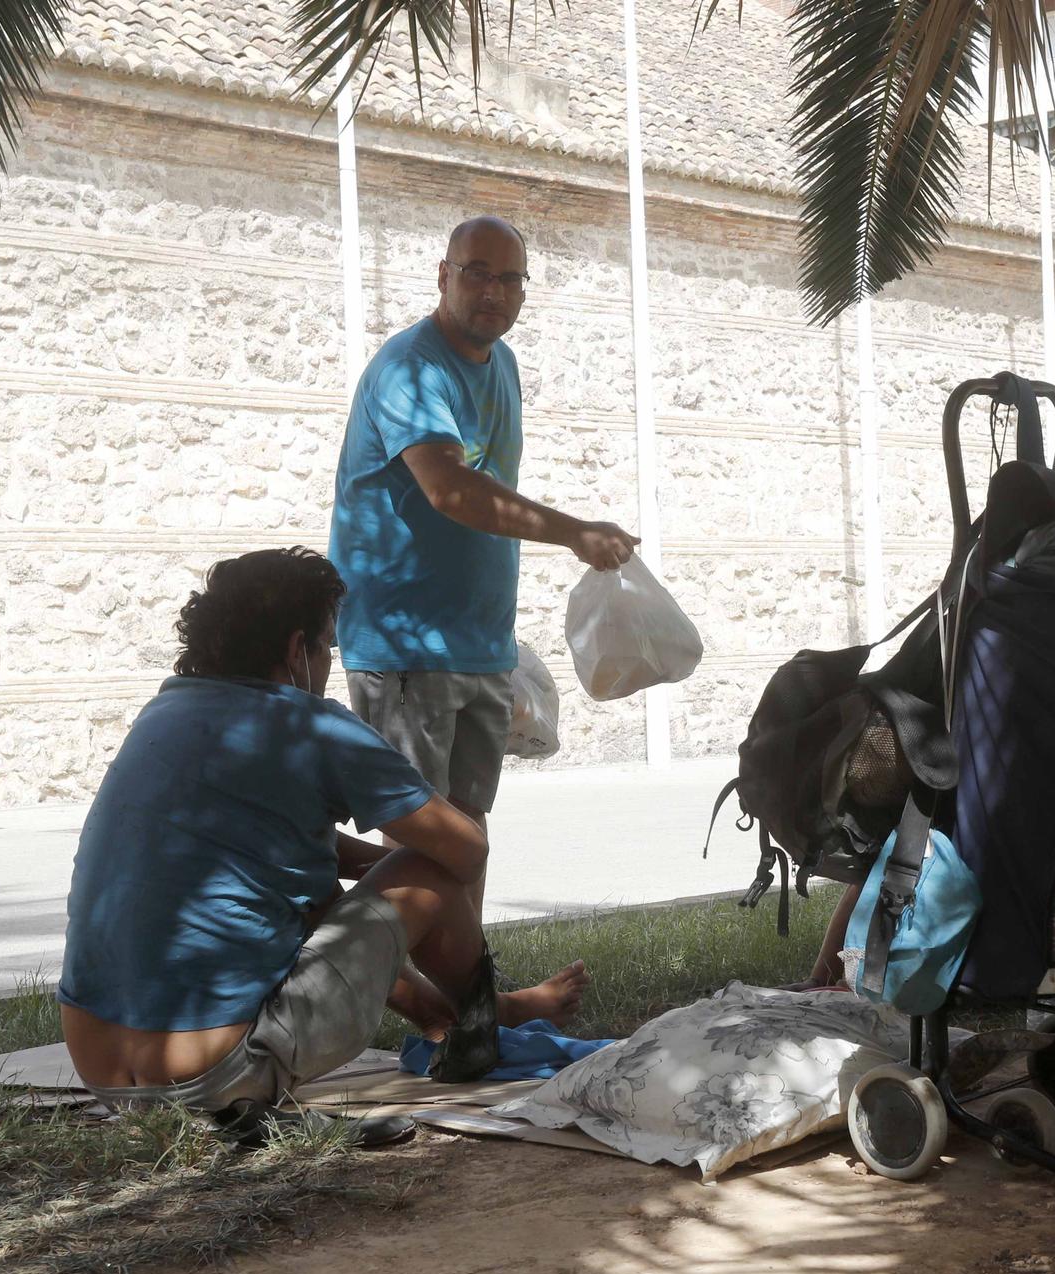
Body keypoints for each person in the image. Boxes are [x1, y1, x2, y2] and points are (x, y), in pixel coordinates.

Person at [57, 548, 589, 1147]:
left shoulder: (164, 712)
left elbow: (261, 852)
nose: (328, 665)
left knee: (328, 901)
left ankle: (457, 1017)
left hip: (102, 1072)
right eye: (327, 648)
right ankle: (480, 1023)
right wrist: (385, 859)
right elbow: (463, 852)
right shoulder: (310, 726)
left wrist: (361, 866)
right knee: (426, 874)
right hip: (217, 1075)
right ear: (294, 650)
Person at [328, 213, 637, 918]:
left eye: (509, 278)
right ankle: (412, 1000)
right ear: (443, 276)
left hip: (479, 642)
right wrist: (574, 533)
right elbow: (450, 487)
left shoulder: (504, 364)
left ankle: (465, 1007)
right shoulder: (410, 366)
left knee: (468, 835)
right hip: (405, 647)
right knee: (422, 843)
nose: (493, 291)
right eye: (476, 273)